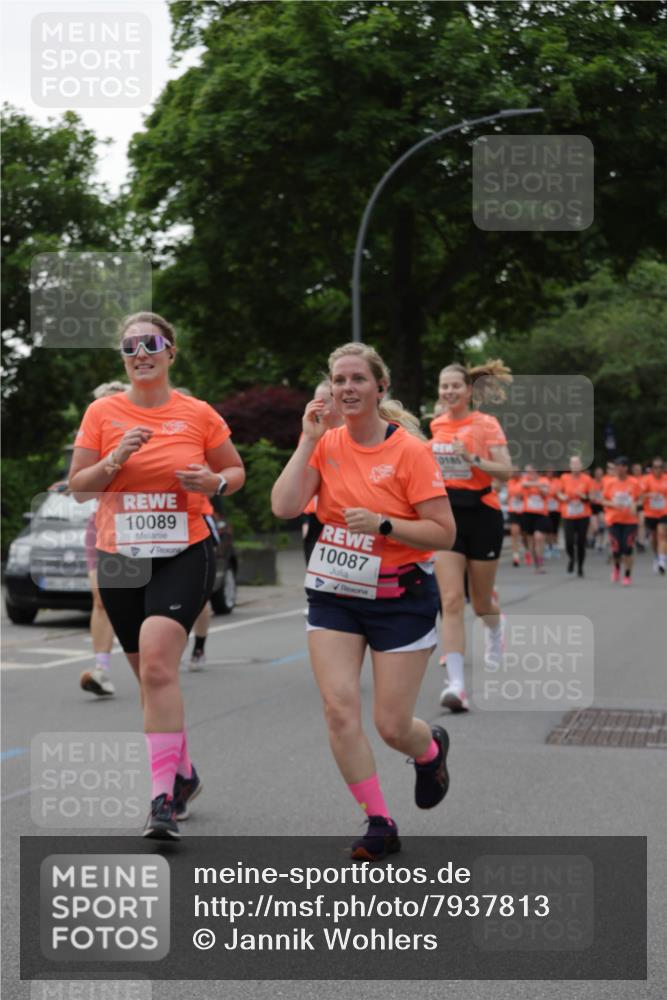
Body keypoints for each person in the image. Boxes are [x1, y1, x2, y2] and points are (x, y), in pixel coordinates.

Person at [272, 342, 456, 862]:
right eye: (339, 380)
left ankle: (430, 750)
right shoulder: (324, 443)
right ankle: (379, 821)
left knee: (392, 726)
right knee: (338, 708)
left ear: (380, 387)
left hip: (401, 596)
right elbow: (284, 506)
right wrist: (307, 441)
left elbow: (444, 533)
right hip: (335, 593)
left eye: (357, 379)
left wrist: (384, 525)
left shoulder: (410, 451)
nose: (347, 388)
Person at [69, 311, 245, 839]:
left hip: (183, 550)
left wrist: (214, 481)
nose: (140, 354)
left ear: (171, 351)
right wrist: (114, 459)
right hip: (121, 557)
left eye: (150, 343)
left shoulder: (198, 413)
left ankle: (161, 801)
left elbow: (235, 471)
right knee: (151, 678)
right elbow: (79, 489)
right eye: (129, 347)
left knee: (158, 666)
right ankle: (184, 774)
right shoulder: (102, 413)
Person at [430, 361, 513, 712]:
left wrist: (473, 458)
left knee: (480, 604)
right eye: (444, 386)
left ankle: (495, 628)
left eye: (455, 386)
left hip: (483, 514)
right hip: (447, 517)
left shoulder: (486, 424)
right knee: (450, 600)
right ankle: (457, 686)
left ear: (468, 391)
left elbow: (506, 471)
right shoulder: (436, 425)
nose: (449, 391)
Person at [78, 381, 128, 697]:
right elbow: (82, 482)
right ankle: (102, 670)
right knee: (101, 598)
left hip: (141, 526)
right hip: (101, 525)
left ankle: (156, 657)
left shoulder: (145, 437)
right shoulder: (91, 442)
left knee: (141, 600)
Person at [301, 379, 343, 565]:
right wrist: (305, 519)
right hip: (315, 517)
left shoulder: (354, 435)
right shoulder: (310, 434)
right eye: (315, 401)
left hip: (343, 519)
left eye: (323, 401)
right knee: (315, 572)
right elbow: (303, 478)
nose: (317, 407)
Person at [602, 456, 641, 585]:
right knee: (616, 549)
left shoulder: (634, 482)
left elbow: (640, 499)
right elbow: (603, 500)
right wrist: (612, 504)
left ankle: (627, 575)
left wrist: (635, 505)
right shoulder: (609, 483)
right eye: (617, 466)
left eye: (621, 466)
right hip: (614, 520)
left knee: (627, 548)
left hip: (630, 521)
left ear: (626, 468)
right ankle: (617, 568)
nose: (619, 468)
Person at [557, 456, 595, 577]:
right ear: (570, 466)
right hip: (568, 514)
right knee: (569, 541)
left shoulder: (587, 479)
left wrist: (583, 496)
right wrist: (562, 497)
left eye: (577, 464)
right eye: (573, 464)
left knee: (581, 542)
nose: (575, 467)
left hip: (583, 514)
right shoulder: (564, 478)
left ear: (581, 466)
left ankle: (580, 567)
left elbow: (592, 497)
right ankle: (572, 558)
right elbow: (558, 492)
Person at [519, 465, 551, 573]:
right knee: (531, 541)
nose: (528, 474)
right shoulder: (525, 479)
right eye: (527, 472)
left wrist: (536, 485)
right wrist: (539, 485)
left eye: (530, 472)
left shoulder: (544, 480)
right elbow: (523, 484)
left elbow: (545, 492)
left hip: (541, 514)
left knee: (539, 537)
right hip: (528, 514)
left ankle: (540, 562)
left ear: (536, 471)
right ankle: (536, 564)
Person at [640, 456, 667, 575]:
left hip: (664, 512)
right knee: (654, 539)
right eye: (655, 467)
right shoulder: (646, 479)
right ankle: (656, 556)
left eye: (660, 467)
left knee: (662, 535)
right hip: (650, 513)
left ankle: (662, 562)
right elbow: (639, 495)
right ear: (651, 468)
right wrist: (650, 495)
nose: (658, 469)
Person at [545, 467, 562, 558]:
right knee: (548, 529)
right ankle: (548, 546)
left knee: (555, 529)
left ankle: (555, 546)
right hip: (546, 509)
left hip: (556, 509)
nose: (550, 473)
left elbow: (559, 492)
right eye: (548, 472)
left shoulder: (558, 481)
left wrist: (553, 493)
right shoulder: (543, 480)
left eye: (551, 472)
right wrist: (553, 493)